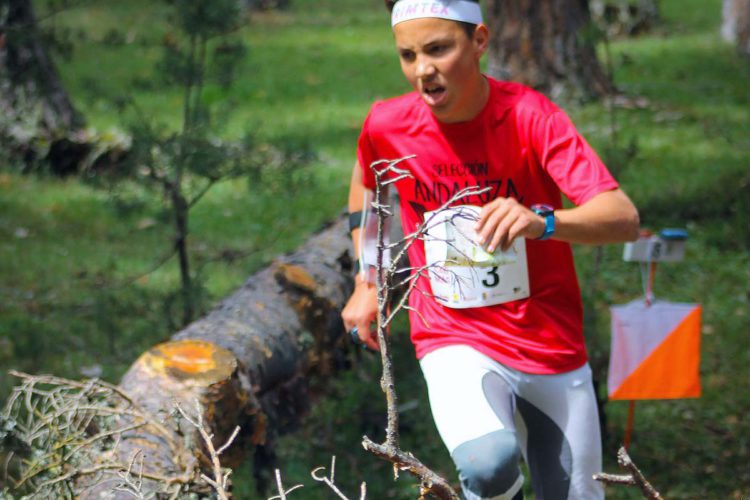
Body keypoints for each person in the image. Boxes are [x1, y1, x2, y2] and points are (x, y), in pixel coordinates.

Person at [341, 0, 640, 498]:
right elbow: (367, 185)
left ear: (479, 41)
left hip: (548, 338)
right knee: (488, 467)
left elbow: (622, 217)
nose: (424, 70)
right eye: (409, 55)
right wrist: (367, 280)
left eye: (438, 49)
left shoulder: (531, 117)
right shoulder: (387, 125)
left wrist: (542, 222)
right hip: (452, 332)